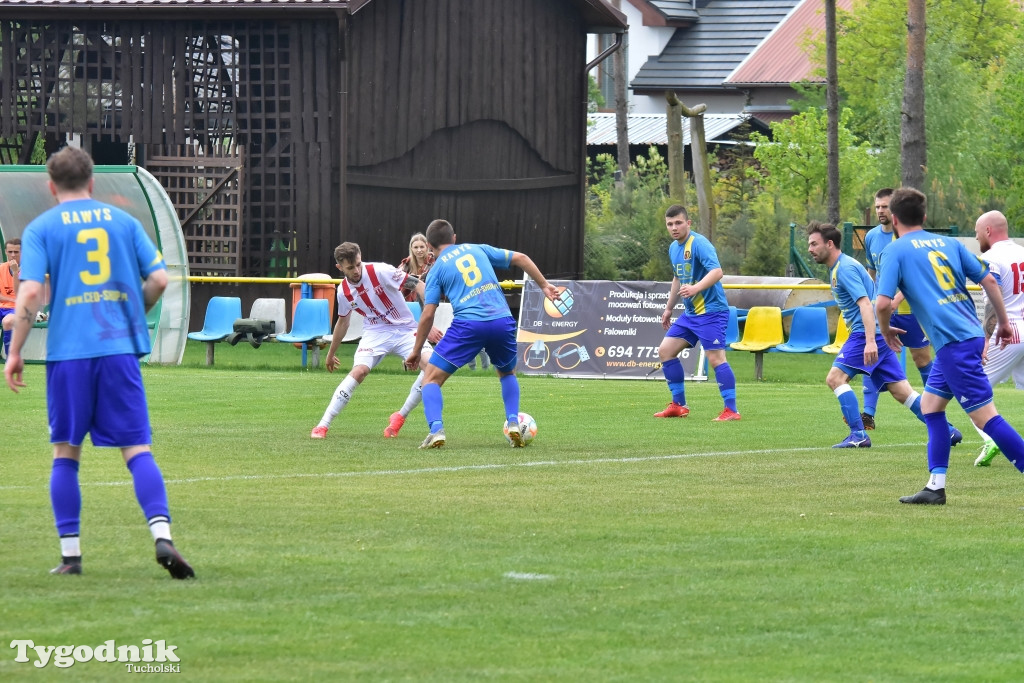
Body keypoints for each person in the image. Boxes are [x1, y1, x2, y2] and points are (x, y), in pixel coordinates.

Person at [4, 146, 194, 578]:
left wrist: (15, 351)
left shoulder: (41, 228)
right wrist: (133, 313)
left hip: (70, 355)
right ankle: (162, 536)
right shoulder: (123, 222)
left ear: (51, 187)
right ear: (92, 183)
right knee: (136, 449)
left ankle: (71, 557)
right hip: (118, 350)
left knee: (66, 453)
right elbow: (161, 278)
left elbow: (30, 294)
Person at [877, 187, 1024, 504]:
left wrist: (886, 330)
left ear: (895, 217)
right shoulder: (949, 244)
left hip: (955, 344)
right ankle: (935, 487)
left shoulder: (896, 250)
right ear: (925, 217)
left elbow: (883, 302)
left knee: (985, 418)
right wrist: (1002, 321)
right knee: (931, 408)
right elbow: (988, 280)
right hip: (960, 339)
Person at [404, 219, 557, 448]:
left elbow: (427, 315)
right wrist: (544, 286)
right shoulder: (478, 249)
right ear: (454, 237)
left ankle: (436, 430)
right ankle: (513, 421)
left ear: (429, 246)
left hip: (469, 324)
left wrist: (416, 351)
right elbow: (522, 258)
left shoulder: (436, 271)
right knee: (507, 373)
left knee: (431, 379)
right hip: (502, 320)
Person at [806, 221, 961, 449]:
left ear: (829, 244)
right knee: (902, 392)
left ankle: (858, 434)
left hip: (865, 334)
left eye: (813, 243)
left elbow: (866, 305)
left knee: (835, 379)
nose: (809, 248)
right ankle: (947, 431)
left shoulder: (845, 268)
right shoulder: (841, 267)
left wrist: (870, 341)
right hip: (877, 334)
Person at [311, 241, 435, 439]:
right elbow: (343, 322)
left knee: (433, 368)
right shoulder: (343, 291)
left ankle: (400, 416)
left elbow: (419, 285)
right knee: (359, 371)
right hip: (375, 333)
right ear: (339, 267)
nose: (357, 270)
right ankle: (322, 425)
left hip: (405, 329)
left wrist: (428, 322)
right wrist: (331, 353)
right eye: (350, 267)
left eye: (358, 264)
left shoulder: (381, 271)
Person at [653, 204, 740, 422]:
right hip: (690, 314)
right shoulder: (674, 248)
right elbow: (677, 278)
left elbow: (717, 272)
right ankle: (679, 405)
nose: (674, 227)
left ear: (688, 223)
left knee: (716, 358)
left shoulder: (699, 243)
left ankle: (731, 410)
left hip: (711, 311)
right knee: (665, 351)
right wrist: (669, 307)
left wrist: (695, 288)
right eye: (670, 224)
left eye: (678, 223)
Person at [863, 187, 935, 420]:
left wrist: (896, 299)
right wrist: (870, 299)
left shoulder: (905, 237)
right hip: (881, 309)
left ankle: (936, 404)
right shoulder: (872, 237)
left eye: (885, 206)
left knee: (921, 358)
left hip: (908, 309)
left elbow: (914, 275)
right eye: (877, 207)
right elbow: (872, 273)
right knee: (871, 355)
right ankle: (868, 414)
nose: (880, 211)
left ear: (894, 209)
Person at [969, 210, 1024, 467]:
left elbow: (994, 296)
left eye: (977, 231)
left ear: (988, 231)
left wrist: (986, 337)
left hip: (1008, 330)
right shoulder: (1022, 251)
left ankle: (991, 438)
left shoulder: (990, 257)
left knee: (971, 390)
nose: (976, 235)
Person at [0, 238, 21, 359]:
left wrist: (15, 273)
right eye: (10, 251)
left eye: (16, 252)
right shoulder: (1, 268)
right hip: (3, 306)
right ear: (6, 252)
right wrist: (9, 300)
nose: (13, 255)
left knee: (7, 322)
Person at [398, 232, 434, 302]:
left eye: (422, 247)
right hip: (409, 304)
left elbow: (434, 281)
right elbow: (397, 277)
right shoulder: (407, 263)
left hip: (429, 301)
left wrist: (412, 278)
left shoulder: (433, 261)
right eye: (416, 247)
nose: (419, 250)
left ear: (427, 247)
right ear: (411, 248)